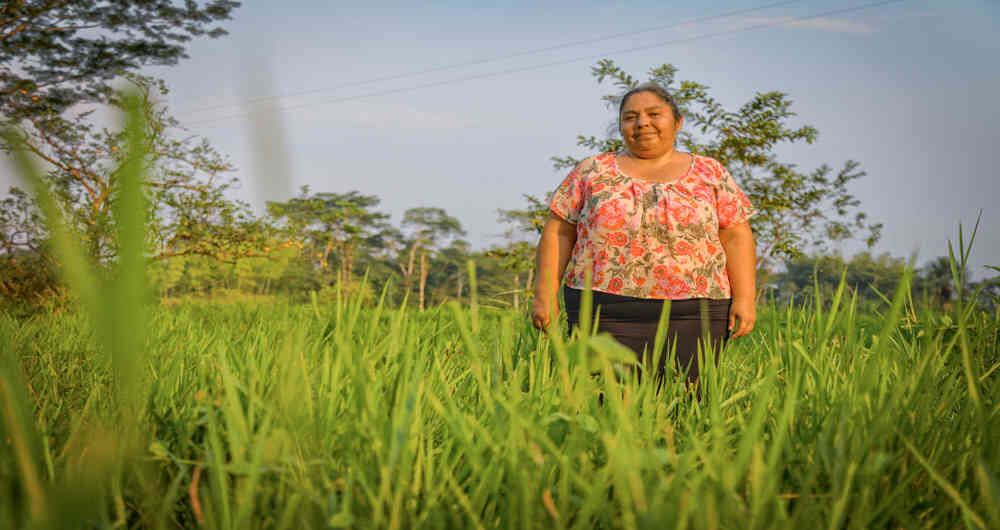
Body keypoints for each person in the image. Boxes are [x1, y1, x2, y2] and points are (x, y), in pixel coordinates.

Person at [531, 82, 757, 386]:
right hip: (601, 311)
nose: (642, 123)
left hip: (694, 314)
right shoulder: (592, 171)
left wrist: (745, 298)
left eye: (654, 114)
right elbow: (559, 231)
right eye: (630, 117)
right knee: (605, 405)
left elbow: (735, 236)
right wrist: (544, 295)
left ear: (677, 122)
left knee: (687, 404)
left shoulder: (710, 172)